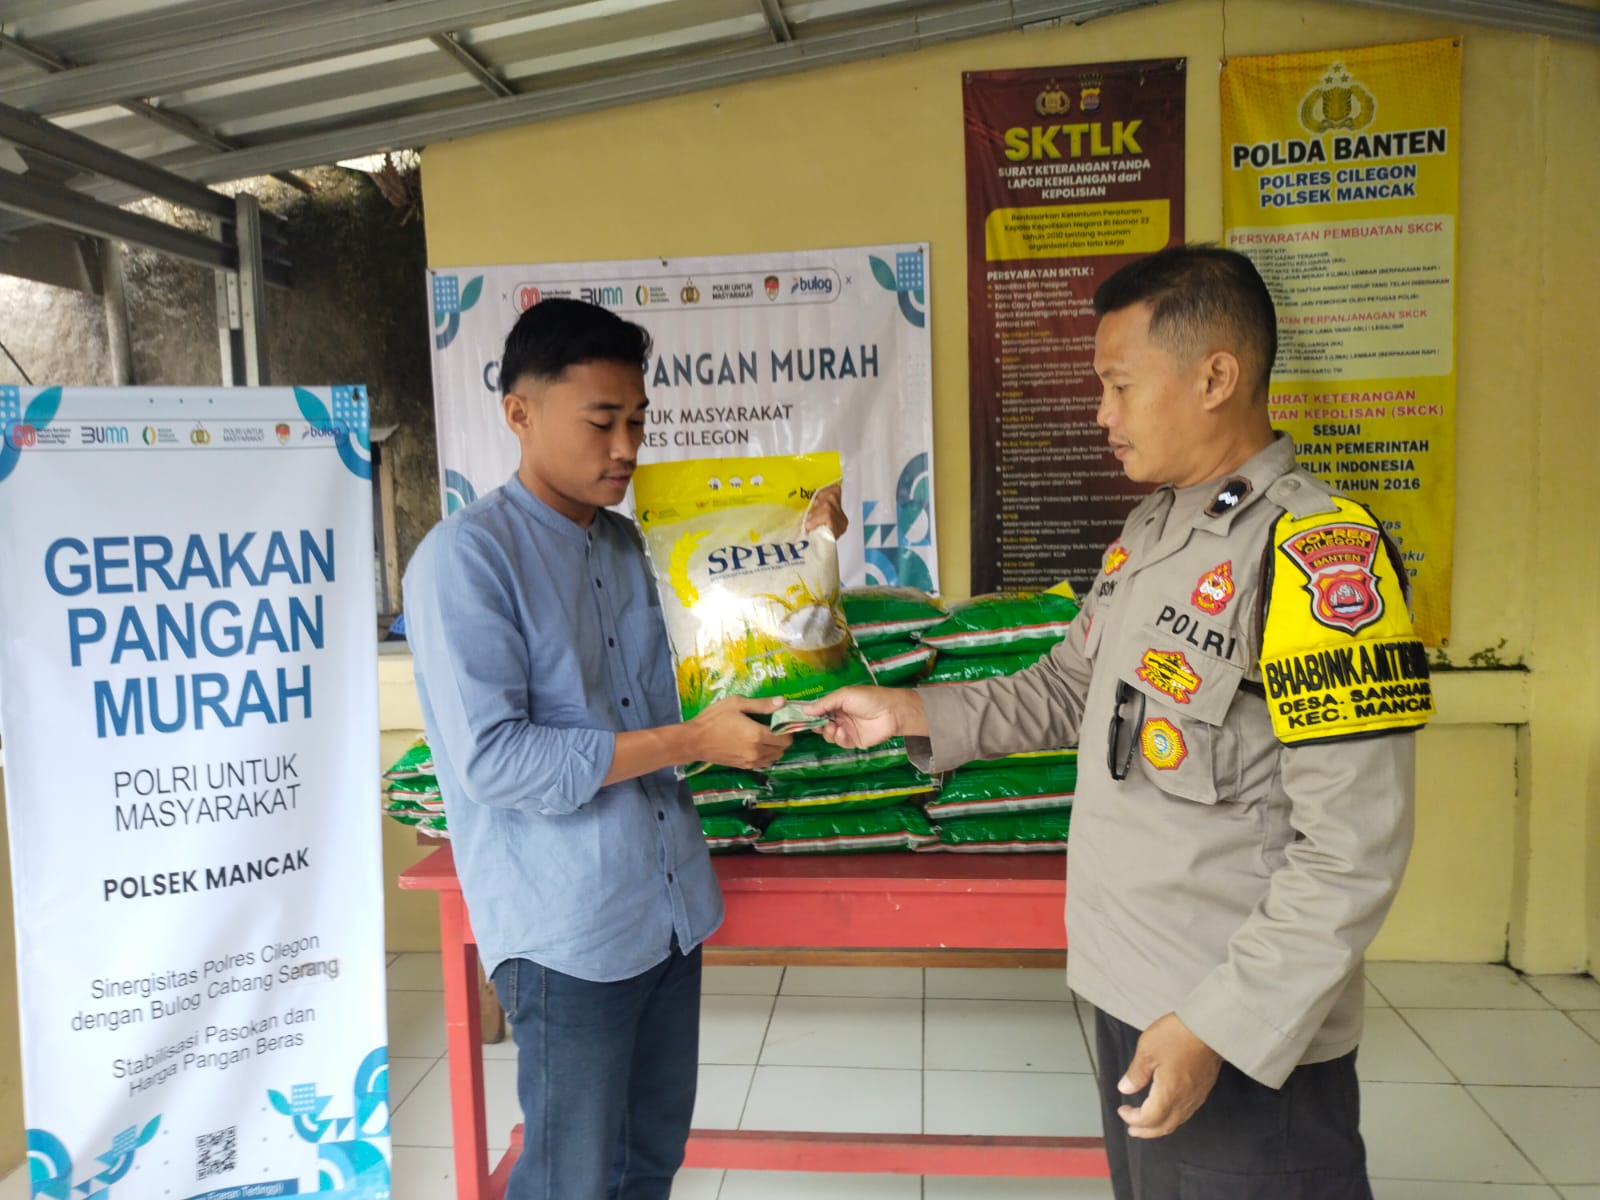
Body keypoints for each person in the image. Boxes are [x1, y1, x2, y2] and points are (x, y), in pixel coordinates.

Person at [806, 245, 1434, 1199]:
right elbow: (1069, 687)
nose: (1101, 413)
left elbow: (1354, 850)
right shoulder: (1152, 532)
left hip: (1235, 1026)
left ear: (1215, 378)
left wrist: (1219, 1024)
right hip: (1128, 987)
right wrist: (907, 711)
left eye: (1119, 385)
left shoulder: (1315, 556)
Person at [402, 298, 845, 1200]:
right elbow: (497, 761)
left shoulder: (630, 546)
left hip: (667, 910)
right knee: (572, 1179)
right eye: (601, 421)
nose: (626, 448)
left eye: (637, 421)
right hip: (569, 932)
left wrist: (806, 560)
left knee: (650, 1162)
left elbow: (714, 668)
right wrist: (694, 741)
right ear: (519, 412)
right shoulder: (467, 559)